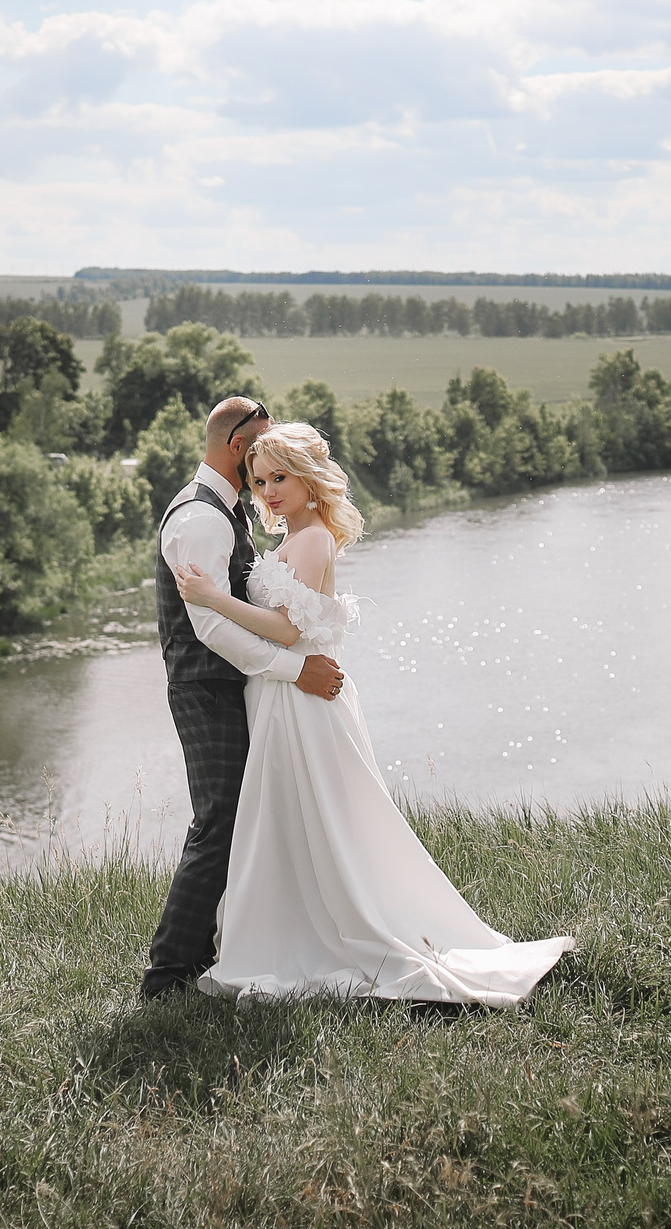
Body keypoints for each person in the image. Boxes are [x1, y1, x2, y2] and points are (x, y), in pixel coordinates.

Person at [171, 420, 573, 1006]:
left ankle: (336, 934)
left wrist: (214, 598)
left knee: (322, 819)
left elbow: (287, 630)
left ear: (308, 478)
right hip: (278, 697)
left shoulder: (313, 539)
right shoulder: (291, 539)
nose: (269, 492)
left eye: (281, 478)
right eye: (259, 482)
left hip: (302, 702)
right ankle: (287, 930)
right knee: (288, 820)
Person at [142, 398, 346, 1000]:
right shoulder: (201, 518)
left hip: (243, 686)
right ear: (237, 447)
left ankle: (233, 946)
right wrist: (294, 669)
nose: (265, 474)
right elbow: (209, 626)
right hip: (207, 686)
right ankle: (169, 972)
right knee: (221, 821)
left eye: (278, 472)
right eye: (258, 456)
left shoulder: (231, 512)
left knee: (248, 816)